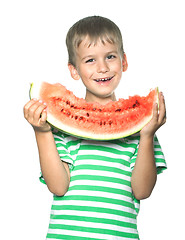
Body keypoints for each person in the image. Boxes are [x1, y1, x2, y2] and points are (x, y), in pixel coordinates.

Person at [24, 16, 167, 240]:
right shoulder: (61, 131)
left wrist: (147, 136)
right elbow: (58, 186)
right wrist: (42, 132)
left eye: (110, 56)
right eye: (90, 60)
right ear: (74, 70)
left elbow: (142, 191)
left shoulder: (140, 131)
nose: (102, 67)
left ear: (124, 62)